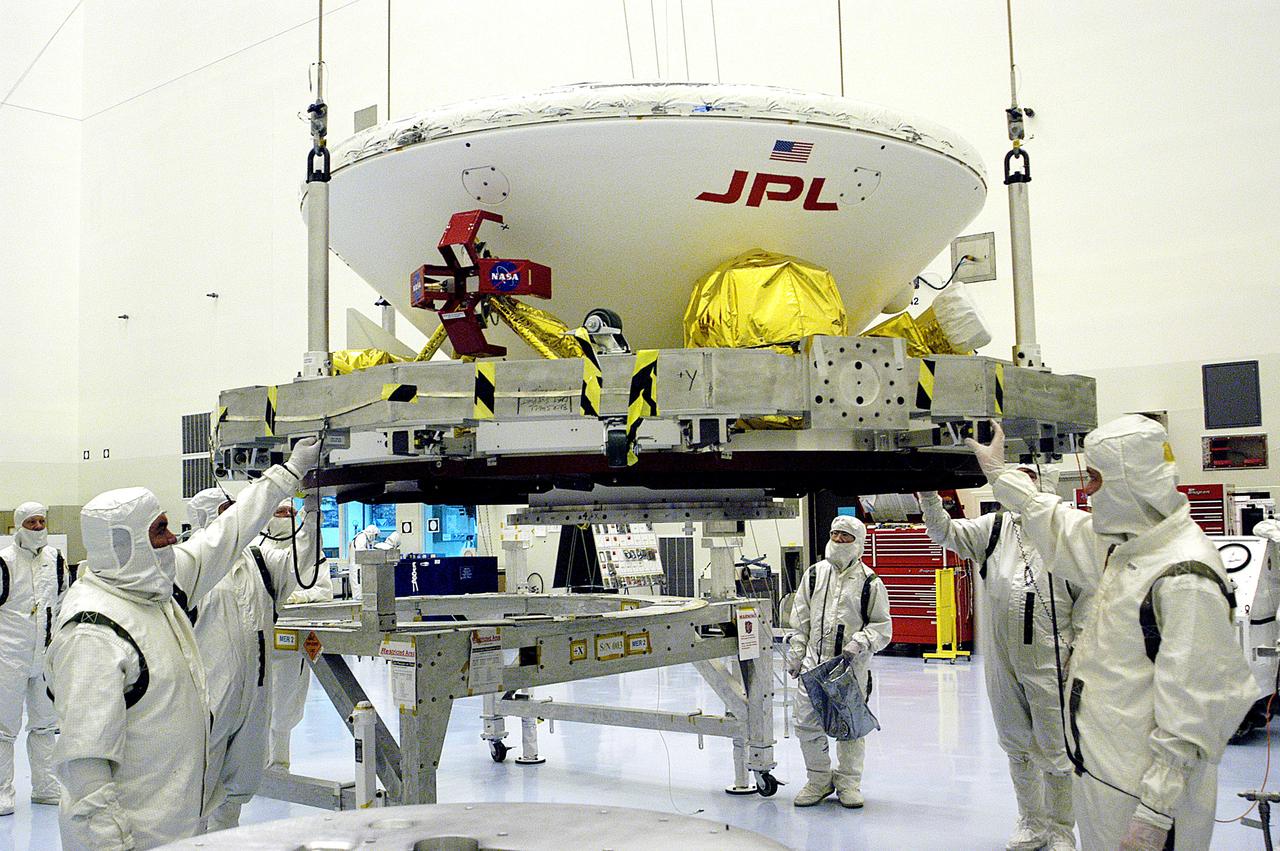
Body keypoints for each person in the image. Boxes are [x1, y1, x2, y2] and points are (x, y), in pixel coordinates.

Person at [967, 416, 1258, 850]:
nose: (1088, 492)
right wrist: (999, 472)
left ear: (1128, 482)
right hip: (1106, 777)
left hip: (1144, 799)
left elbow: (1196, 712)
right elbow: (1059, 524)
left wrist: (1156, 812)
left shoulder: (1183, 575)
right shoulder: (1129, 549)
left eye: (1097, 480)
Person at [44, 437, 320, 851]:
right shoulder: (92, 631)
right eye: (159, 530)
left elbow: (228, 533)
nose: (174, 538)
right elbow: (86, 771)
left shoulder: (158, 586)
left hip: (179, 828)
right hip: (135, 839)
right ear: (126, 541)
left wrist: (289, 473)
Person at [921, 469, 1082, 851]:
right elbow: (945, 533)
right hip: (1002, 655)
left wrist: (1080, 648)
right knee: (1015, 741)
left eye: (1025, 478)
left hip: (1052, 656)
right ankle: (1031, 822)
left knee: (1056, 747)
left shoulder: (1068, 531)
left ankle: (1061, 830)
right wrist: (929, 496)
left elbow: (1090, 596)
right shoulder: (994, 528)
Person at [186, 490, 322, 831]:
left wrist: (315, 510)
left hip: (254, 692)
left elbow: (301, 563)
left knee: (239, 781)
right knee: (198, 785)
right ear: (206, 517)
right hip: (206, 695)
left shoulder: (258, 560)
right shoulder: (189, 565)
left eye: (237, 509)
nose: (235, 517)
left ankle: (225, 840)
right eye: (226, 511)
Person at [787, 515, 892, 809]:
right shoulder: (813, 575)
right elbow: (800, 621)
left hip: (849, 669)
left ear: (857, 542)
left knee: (850, 728)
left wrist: (861, 642)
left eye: (845, 536)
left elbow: (883, 627)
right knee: (806, 724)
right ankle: (819, 780)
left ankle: (848, 783)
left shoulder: (871, 583)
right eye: (834, 534)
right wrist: (796, 655)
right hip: (812, 666)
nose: (838, 540)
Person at [0, 502, 68, 815]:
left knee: (45, 725)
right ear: (19, 525)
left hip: (45, 655)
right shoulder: (4, 561)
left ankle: (46, 787)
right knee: (4, 728)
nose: (38, 528)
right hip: (8, 655)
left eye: (42, 522)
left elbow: (64, 602)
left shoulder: (56, 561)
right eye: (32, 522)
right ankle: (3, 793)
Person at [264, 499, 334, 773]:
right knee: (253, 705)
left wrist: (293, 598)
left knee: (284, 703)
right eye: (280, 513)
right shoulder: (258, 547)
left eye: (291, 513)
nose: (286, 517)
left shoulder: (307, 549)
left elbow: (323, 590)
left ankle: (279, 764)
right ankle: (253, 767)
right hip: (256, 639)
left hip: (291, 638)